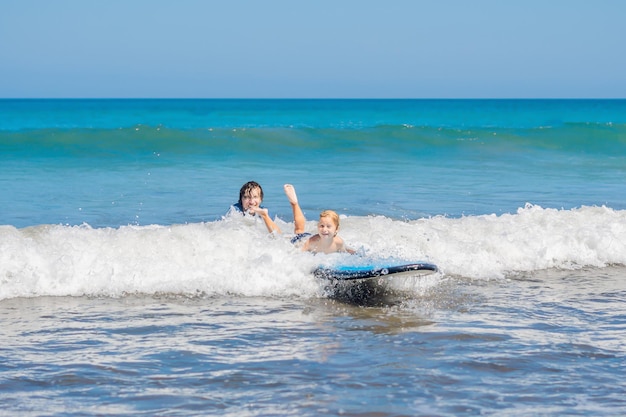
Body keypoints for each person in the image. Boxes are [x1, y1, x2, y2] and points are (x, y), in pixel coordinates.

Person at [283, 184, 354, 254]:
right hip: (302, 239)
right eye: (321, 226)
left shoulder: (338, 243)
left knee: (300, 229)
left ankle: (294, 203)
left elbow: (346, 251)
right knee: (296, 231)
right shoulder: (312, 242)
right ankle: (294, 203)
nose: (324, 229)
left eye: (328, 226)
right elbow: (295, 255)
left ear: (337, 229)